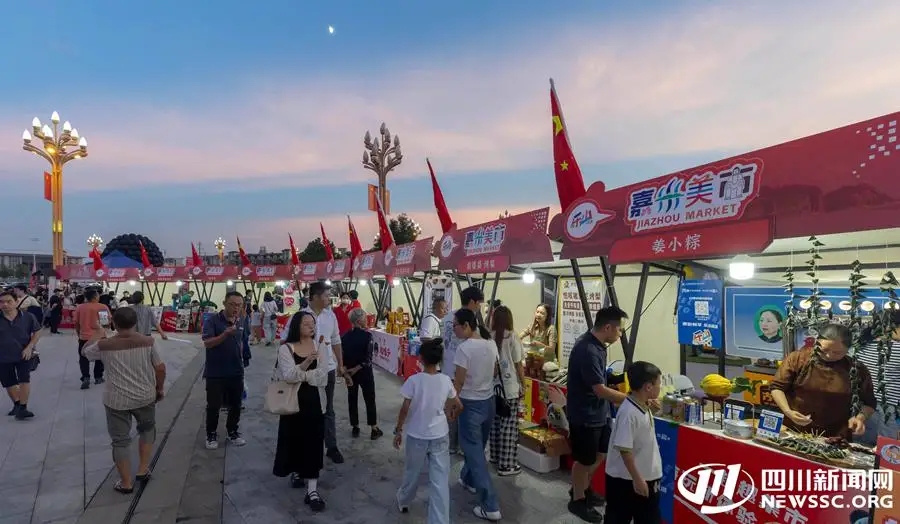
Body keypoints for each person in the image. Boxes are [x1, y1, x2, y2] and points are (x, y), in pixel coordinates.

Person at [81, 307, 166, 494]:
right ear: (135, 322)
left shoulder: (104, 345)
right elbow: (160, 367)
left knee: (120, 441)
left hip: (116, 400)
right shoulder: (149, 342)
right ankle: (143, 469)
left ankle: (126, 483)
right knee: (147, 430)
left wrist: (99, 332)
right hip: (144, 397)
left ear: (114, 323)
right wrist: (159, 388)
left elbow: (85, 352)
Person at [566, 306, 630, 523]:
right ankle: (577, 499)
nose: (620, 334)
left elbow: (600, 380)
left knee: (601, 454)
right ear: (608, 327)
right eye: (619, 330)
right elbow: (599, 390)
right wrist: (631, 400)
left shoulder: (598, 346)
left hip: (600, 413)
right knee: (584, 461)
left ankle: (582, 487)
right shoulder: (587, 349)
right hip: (585, 415)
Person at [394, 338, 461, 524]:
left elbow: (404, 409)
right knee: (440, 481)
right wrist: (451, 414)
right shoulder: (445, 380)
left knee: (412, 472)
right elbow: (458, 404)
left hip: (417, 434)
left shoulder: (414, 381)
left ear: (421, 359)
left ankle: (404, 500)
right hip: (440, 434)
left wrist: (398, 430)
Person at [283, 281, 351, 464]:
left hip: (327, 369)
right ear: (315, 297)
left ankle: (331, 446)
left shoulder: (331, 316)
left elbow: (336, 340)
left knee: (328, 409)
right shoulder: (299, 317)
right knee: (305, 409)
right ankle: (305, 448)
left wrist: (340, 365)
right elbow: (285, 341)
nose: (330, 298)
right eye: (327, 295)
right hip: (306, 371)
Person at [770, 323, 877, 439]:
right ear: (816, 342)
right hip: (794, 429)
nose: (829, 355)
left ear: (848, 349)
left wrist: (859, 418)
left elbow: (869, 403)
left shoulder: (856, 369)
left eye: (837, 352)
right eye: (824, 349)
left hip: (835, 435)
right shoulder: (798, 358)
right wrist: (788, 411)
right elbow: (777, 387)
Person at [272, 311, 328, 512]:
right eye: (306, 323)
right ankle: (296, 470)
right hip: (292, 402)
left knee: (314, 442)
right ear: (296, 326)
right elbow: (288, 375)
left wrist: (303, 374)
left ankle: (312, 490)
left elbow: (322, 376)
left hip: (314, 401)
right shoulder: (286, 348)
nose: (311, 326)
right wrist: (306, 365)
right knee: (294, 439)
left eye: (313, 323)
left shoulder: (319, 345)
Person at [452, 308, 502, 521]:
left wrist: (451, 404)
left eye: (455, 325)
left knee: (474, 452)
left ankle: (490, 505)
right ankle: (468, 479)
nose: (453, 329)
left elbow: (459, 382)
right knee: (476, 448)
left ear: (466, 325)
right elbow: (495, 371)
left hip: (469, 404)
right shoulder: (491, 344)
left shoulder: (464, 349)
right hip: (488, 402)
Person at [604, 361, 663, 524]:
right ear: (648, 387)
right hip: (628, 480)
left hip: (644, 476)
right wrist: (637, 479)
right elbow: (625, 450)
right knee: (619, 517)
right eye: (659, 384)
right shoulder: (629, 413)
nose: (660, 387)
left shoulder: (641, 404)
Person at [201, 291, 248, 450]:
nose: (236, 308)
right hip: (215, 371)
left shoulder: (242, 319)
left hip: (236, 370)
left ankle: (232, 431)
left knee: (236, 404)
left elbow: (242, 341)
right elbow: (208, 343)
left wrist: (243, 361)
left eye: (239, 305)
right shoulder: (212, 320)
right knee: (214, 405)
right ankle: (211, 434)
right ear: (224, 303)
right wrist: (225, 334)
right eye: (232, 305)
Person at [442, 286, 484, 454]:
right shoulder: (470, 321)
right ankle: (461, 446)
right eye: (479, 303)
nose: (480, 307)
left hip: (447, 369)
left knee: (451, 407)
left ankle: (451, 444)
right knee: (462, 409)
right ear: (473, 302)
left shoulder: (447, 316)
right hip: (462, 371)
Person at [489, 305, 525, 476]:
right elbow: (518, 364)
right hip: (510, 388)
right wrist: (523, 384)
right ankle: (507, 465)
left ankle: (495, 456)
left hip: (494, 388)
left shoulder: (489, 337)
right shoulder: (512, 337)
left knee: (495, 424)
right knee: (509, 427)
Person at [856, 310, 900, 445]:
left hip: (862, 405)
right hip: (888, 408)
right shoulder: (897, 348)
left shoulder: (862, 345)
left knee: (861, 445)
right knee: (886, 448)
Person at [341, 308, 382, 439]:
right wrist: (357, 368)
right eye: (365, 318)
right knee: (370, 399)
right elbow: (368, 359)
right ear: (359, 321)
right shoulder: (367, 336)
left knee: (352, 399)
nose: (367, 320)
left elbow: (342, 357)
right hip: (365, 373)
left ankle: (355, 427)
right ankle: (373, 428)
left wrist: (347, 371)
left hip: (350, 374)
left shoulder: (345, 337)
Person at [0, 290, 40, 420]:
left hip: (23, 354)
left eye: (9, 301)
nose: (5, 304)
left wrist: (30, 347)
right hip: (3, 356)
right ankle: (17, 404)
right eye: (1, 302)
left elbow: (37, 331)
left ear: (16, 302)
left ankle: (23, 407)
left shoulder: (28, 317)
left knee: (24, 379)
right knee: (8, 382)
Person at [74, 288, 110, 389]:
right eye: (98, 295)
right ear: (95, 297)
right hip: (99, 337)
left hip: (84, 337)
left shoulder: (80, 307)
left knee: (83, 357)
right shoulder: (102, 307)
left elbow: (76, 323)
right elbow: (105, 323)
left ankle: (85, 377)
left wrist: (79, 334)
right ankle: (98, 377)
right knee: (100, 357)